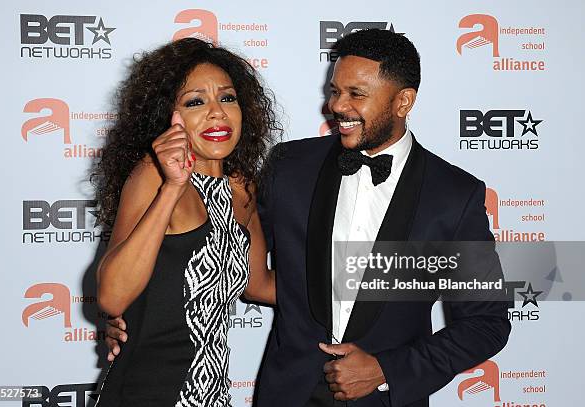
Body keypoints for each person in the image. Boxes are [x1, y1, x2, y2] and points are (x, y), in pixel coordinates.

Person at [105, 29, 511, 407]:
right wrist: (133, 319)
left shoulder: (455, 196)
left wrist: (387, 369)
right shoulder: (289, 167)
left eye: (356, 93)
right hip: (286, 393)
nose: (337, 106)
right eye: (335, 91)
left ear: (402, 101)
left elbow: (487, 322)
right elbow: (211, 255)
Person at [92, 37, 279, 407]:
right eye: (195, 102)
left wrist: (351, 281)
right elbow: (112, 296)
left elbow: (259, 284)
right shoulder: (154, 176)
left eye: (227, 98)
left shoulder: (242, 189)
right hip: (146, 393)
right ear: (168, 116)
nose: (217, 113)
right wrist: (174, 186)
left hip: (211, 396)